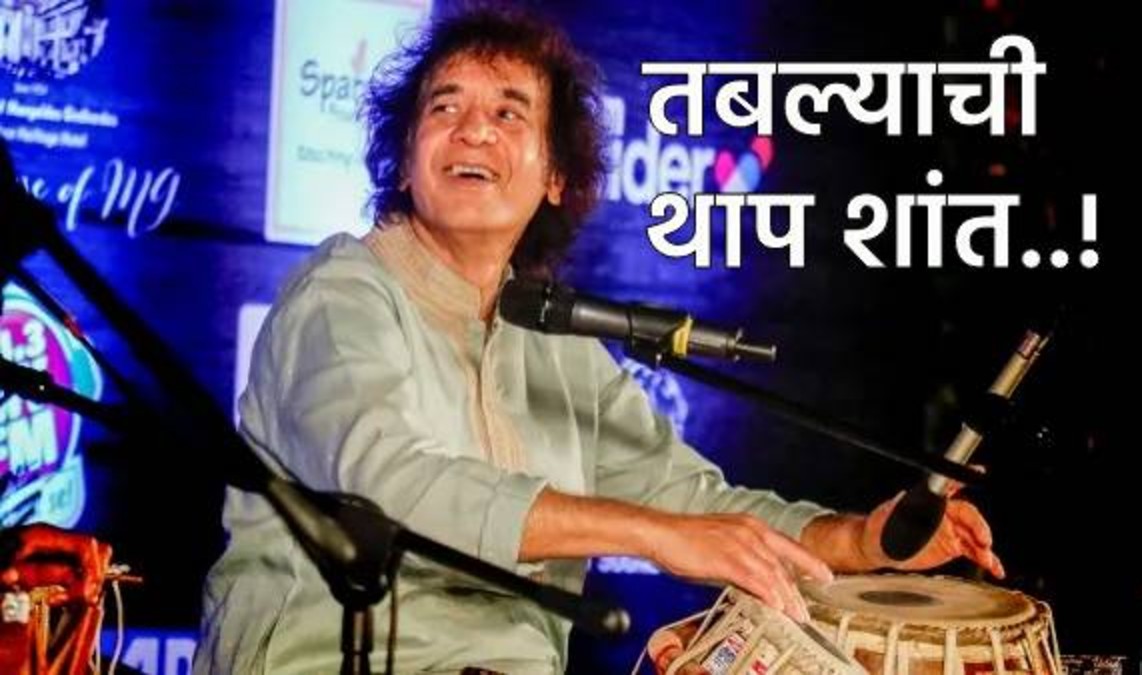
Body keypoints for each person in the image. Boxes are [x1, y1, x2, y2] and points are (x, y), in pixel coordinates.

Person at [195, 7, 1003, 674]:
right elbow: (391, 483)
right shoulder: (341, 292)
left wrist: (857, 539)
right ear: (406, 163)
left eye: (509, 112)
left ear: (556, 175)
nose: (472, 131)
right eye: (444, 107)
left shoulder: (554, 340)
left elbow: (694, 501)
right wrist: (652, 533)